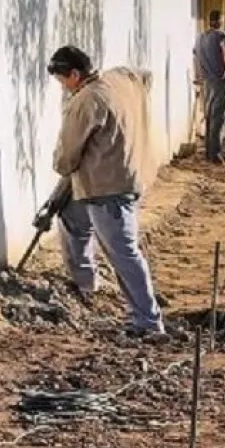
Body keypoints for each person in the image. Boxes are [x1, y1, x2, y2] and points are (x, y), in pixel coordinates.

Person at [47, 45, 165, 338]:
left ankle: (149, 322)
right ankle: (86, 284)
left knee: (123, 252)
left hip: (107, 188)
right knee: (72, 220)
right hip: (117, 177)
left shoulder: (86, 101)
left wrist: (61, 167)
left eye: (63, 81)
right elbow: (143, 77)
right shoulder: (117, 79)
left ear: (75, 74)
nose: (63, 87)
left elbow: (66, 159)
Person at [193, 11, 225, 163]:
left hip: (206, 82)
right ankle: (216, 154)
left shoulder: (199, 38)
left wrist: (198, 76)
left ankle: (208, 152)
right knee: (218, 118)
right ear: (220, 21)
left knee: (209, 117)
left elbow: (196, 58)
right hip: (219, 81)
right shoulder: (222, 36)